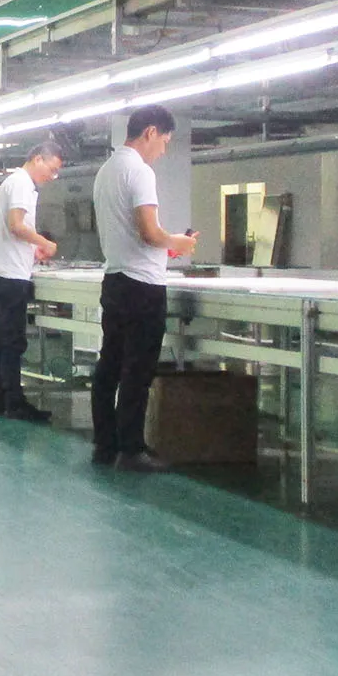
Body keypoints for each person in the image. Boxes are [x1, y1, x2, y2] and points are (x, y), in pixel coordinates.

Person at [90, 105, 197, 471]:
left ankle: (105, 444)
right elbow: (149, 232)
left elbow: (130, 232)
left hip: (115, 280)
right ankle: (131, 449)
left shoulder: (106, 171)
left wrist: (167, 245)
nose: (163, 150)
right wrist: (177, 242)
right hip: (142, 287)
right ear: (150, 132)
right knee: (137, 370)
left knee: (110, 365)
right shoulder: (139, 171)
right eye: (164, 141)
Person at [0, 141, 63, 422]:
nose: (52, 176)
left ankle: (2, 397)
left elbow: (16, 230)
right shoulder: (21, 183)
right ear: (38, 159)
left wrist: (33, 250)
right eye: (51, 169)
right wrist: (45, 243)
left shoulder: (18, 183)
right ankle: (14, 402)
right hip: (10, 275)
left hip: (4, 270)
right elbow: (16, 226)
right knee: (12, 340)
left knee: (1, 338)